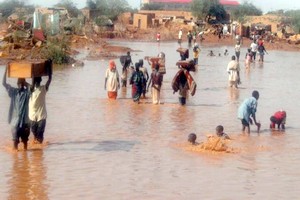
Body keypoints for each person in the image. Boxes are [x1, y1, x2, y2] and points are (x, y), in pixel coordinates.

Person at [3, 67, 30, 150]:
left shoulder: (27, 93)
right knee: (15, 145)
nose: (21, 84)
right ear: (17, 84)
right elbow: (4, 83)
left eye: (22, 83)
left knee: (25, 146)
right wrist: (6, 70)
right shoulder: (13, 92)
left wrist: (25, 83)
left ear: (24, 84)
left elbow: (31, 88)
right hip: (15, 123)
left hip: (25, 123)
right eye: (19, 82)